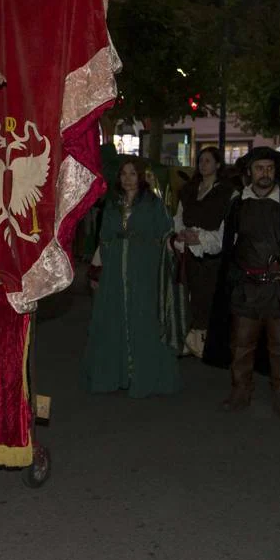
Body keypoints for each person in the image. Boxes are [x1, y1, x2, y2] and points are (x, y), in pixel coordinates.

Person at [199, 148, 280, 418]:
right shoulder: (237, 204)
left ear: (276, 171)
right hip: (246, 287)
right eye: (259, 168)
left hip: (278, 287)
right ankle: (241, 391)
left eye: (270, 168)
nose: (265, 173)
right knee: (241, 345)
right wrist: (197, 241)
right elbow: (223, 239)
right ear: (249, 172)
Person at [82, 157, 184, 396]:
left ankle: (144, 376)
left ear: (141, 177)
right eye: (124, 174)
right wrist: (99, 267)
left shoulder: (153, 203)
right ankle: (116, 374)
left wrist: (174, 243)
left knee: (144, 318)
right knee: (114, 317)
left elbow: (165, 232)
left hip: (144, 270)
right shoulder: (112, 204)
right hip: (115, 271)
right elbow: (104, 237)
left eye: (132, 174)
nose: (128, 178)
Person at [172, 146, 233, 359]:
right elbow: (179, 216)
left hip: (211, 254)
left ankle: (205, 342)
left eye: (208, 160)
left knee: (207, 297)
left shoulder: (227, 192)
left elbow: (228, 227)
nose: (203, 164)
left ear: (217, 164)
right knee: (187, 293)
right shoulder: (189, 189)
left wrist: (203, 239)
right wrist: (181, 233)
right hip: (187, 251)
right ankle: (189, 339)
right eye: (201, 160)